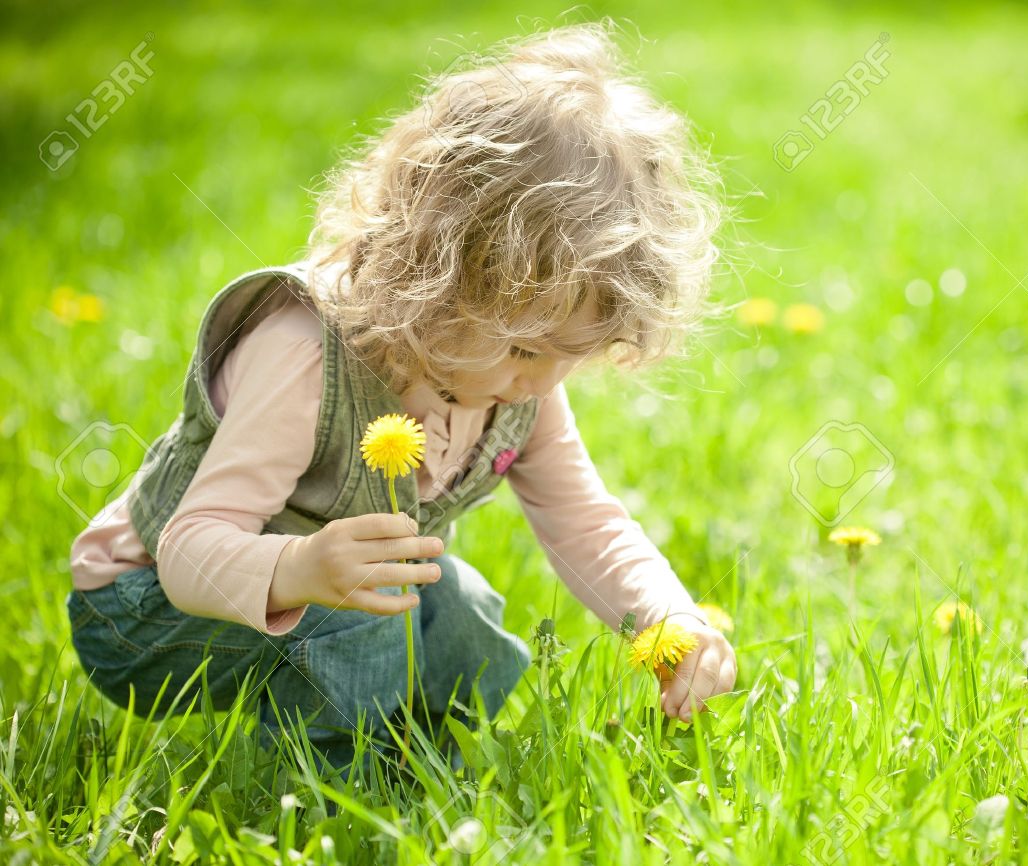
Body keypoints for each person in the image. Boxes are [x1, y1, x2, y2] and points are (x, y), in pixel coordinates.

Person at [65, 22, 737, 774]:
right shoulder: (304, 354)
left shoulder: (522, 383)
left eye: (569, 358)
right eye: (523, 349)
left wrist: (671, 619)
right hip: (145, 608)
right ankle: (337, 794)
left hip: (308, 589)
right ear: (434, 279)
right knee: (364, 613)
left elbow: (588, 522)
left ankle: (424, 756)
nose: (544, 382)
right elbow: (189, 550)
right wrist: (300, 569)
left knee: (461, 608)